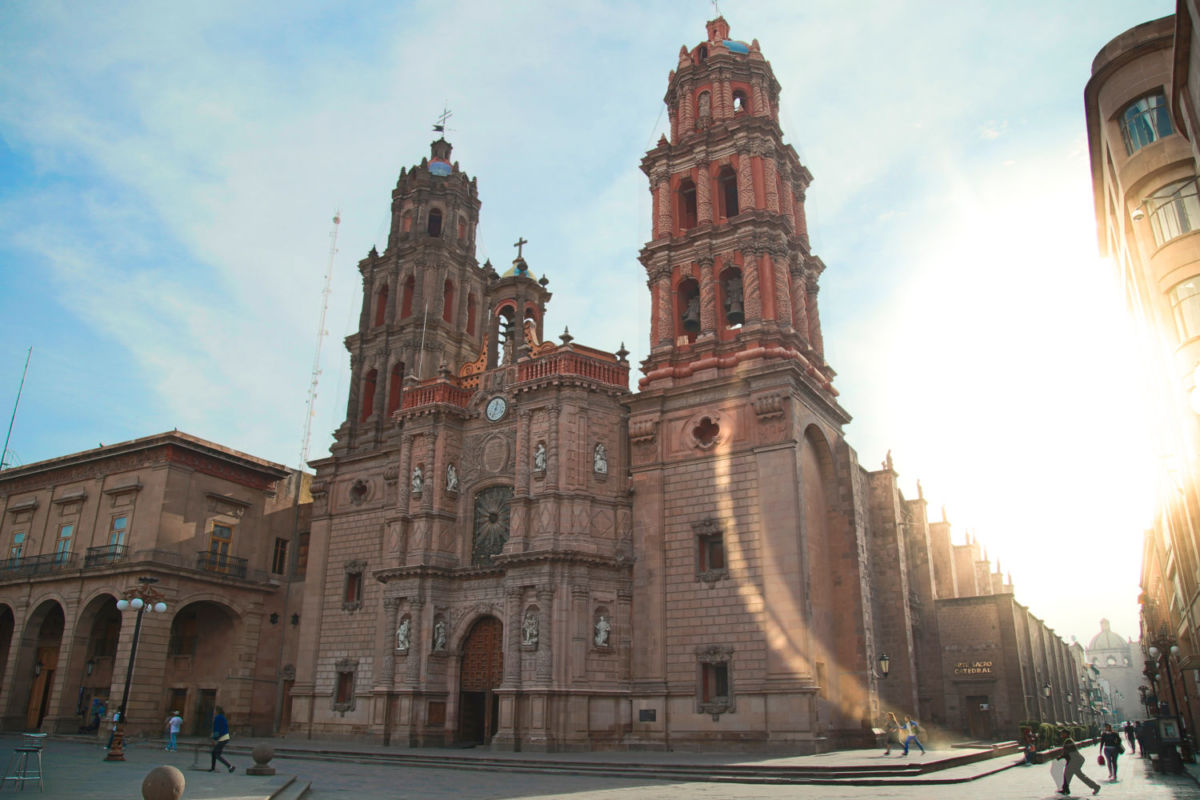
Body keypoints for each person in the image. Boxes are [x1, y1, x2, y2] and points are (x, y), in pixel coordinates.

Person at [209, 706, 234, 772]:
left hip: (222, 737)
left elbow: (216, 729)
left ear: (217, 711)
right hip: (225, 737)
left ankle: (230, 766)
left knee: (216, 754)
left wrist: (214, 738)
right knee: (214, 752)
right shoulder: (223, 717)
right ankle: (213, 768)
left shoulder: (217, 717)